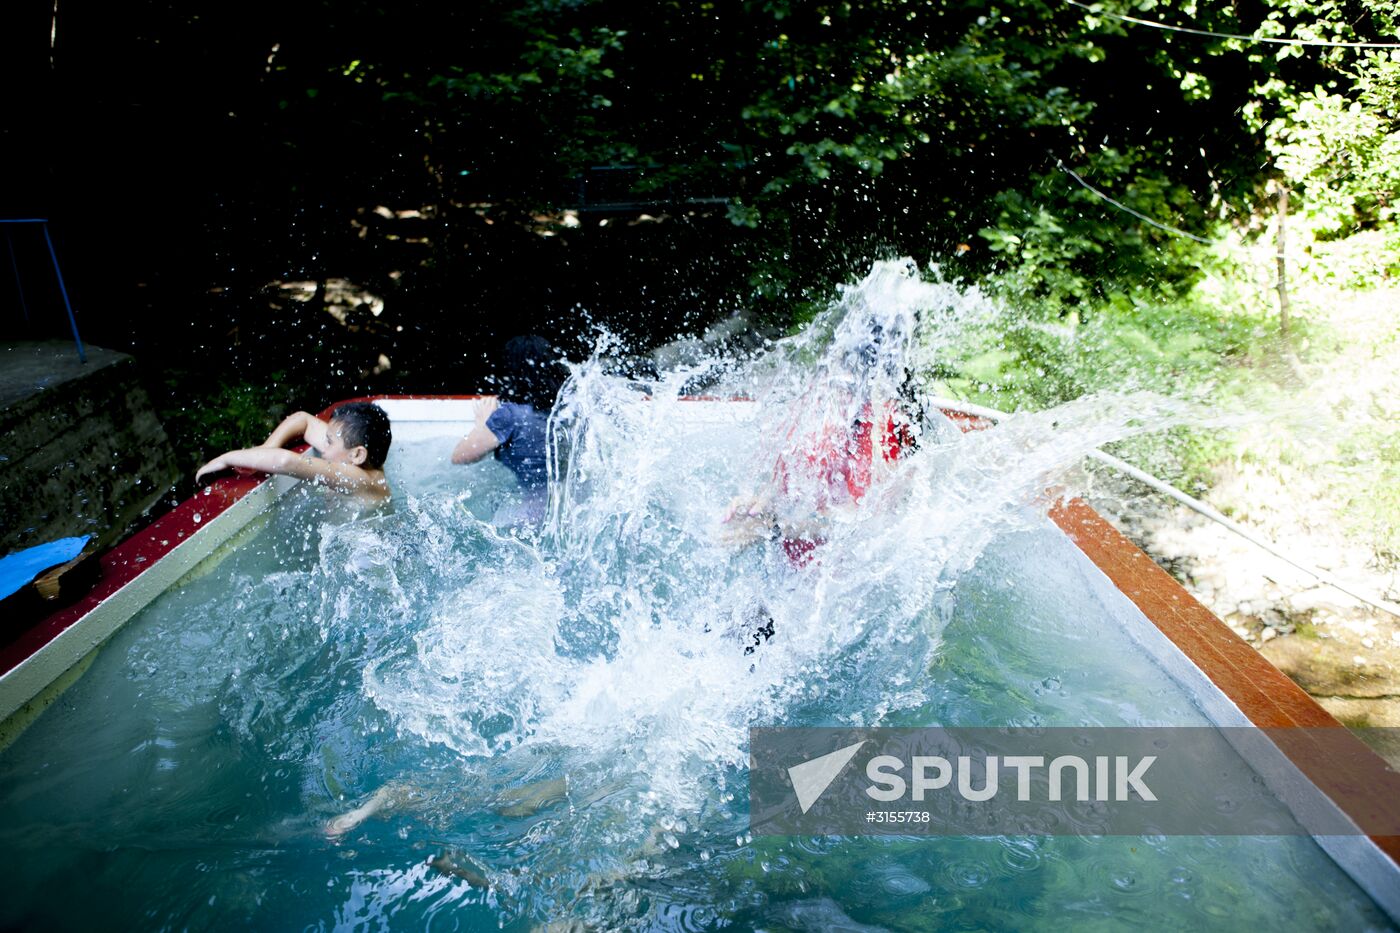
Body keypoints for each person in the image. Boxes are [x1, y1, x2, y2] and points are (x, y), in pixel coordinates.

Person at [451, 336, 567, 526]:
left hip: (529, 517)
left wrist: (482, 424)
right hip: (567, 510)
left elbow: (460, 456)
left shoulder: (510, 416)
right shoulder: (566, 411)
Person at [195, 402, 393, 508]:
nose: (324, 447)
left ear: (357, 455)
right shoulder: (351, 454)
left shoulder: (362, 479)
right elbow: (303, 419)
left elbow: (285, 461)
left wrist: (224, 458)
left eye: (329, 442)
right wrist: (264, 450)